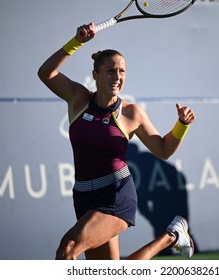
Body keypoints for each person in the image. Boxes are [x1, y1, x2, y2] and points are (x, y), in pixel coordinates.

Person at [37, 23, 196, 260]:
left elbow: (163, 150)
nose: (117, 77)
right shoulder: (78, 98)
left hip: (116, 194)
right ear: (96, 75)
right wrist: (76, 42)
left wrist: (181, 125)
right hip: (83, 196)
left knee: (68, 250)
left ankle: (172, 236)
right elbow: (45, 73)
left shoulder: (132, 114)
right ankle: (172, 236)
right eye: (111, 71)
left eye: (122, 71)